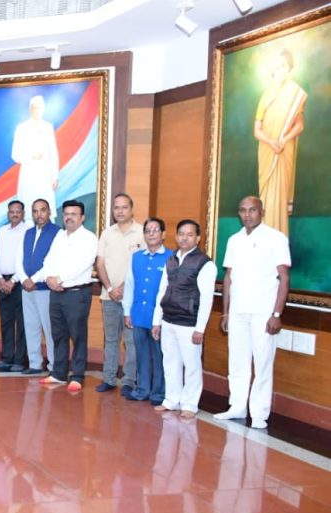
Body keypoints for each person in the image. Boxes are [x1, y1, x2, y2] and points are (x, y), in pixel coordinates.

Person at [217, 196, 291, 429]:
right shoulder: (234, 240)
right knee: (237, 362)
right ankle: (237, 407)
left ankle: (259, 413)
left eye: (252, 210)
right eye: (243, 210)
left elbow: (284, 278)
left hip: (263, 313)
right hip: (237, 312)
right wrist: (225, 313)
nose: (247, 215)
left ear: (262, 211)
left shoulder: (276, 238)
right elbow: (228, 278)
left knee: (263, 362)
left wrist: (276, 314)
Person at [151, 220, 215, 418]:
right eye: (181, 234)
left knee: (192, 365)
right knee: (170, 363)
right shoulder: (171, 260)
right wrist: (156, 321)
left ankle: (190, 404)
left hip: (189, 323)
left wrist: (200, 329)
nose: (184, 238)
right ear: (176, 236)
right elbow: (162, 291)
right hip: (168, 320)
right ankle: (171, 400)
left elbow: (207, 299)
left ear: (198, 238)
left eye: (189, 234)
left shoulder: (204, 263)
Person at [41, 200, 98, 392]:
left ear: (82, 217)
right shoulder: (59, 236)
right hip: (56, 293)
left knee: (78, 335)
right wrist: (48, 278)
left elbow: (83, 263)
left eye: (74, 214)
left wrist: (59, 278)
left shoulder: (89, 238)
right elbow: (48, 259)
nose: (69, 217)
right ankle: (59, 373)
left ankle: (78, 375)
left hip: (76, 294)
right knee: (58, 334)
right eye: (66, 214)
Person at [96, 193, 145, 395]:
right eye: (116, 207)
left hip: (132, 298)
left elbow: (142, 265)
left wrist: (125, 288)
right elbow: (100, 264)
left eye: (124, 207)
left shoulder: (142, 232)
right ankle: (108, 378)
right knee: (111, 339)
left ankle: (129, 381)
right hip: (109, 296)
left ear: (131, 209)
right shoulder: (107, 233)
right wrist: (110, 288)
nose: (120, 211)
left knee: (131, 341)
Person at [255, 48, 307, 236]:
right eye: (276, 67)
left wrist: (284, 139)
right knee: (266, 194)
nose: (279, 70)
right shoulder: (265, 96)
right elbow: (257, 130)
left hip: (284, 148)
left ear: (289, 69)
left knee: (280, 194)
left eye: (283, 66)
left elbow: (299, 125)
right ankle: (265, 234)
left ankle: (280, 237)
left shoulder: (295, 94)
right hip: (267, 149)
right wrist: (270, 142)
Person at [123, 217, 173, 405]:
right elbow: (129, 285)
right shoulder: (136, 257)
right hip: (139, 314)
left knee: (159, 356)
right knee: (141, 355)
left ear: (163, 234)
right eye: (147, 230)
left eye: (155, 230)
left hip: (159, 317)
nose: (151, 233)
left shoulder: (171, 257)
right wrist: (127, 311)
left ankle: (158, 393)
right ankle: (142, 390)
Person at [14, 198, 60, 375]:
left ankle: (53, 366)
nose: (39, 214)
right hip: (27, 288)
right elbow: (18, 259)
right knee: (31, 326)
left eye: (42, 210)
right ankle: (34, 364)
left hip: (44, 288)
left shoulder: (57, 232)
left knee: (49, 329)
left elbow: (52, 262)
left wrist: (33, 280)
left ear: (49, 212)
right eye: (35, 211)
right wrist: (24, 279)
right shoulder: (28, 233)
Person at [0, 199, 29, 371]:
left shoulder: (28, 231)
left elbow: (25, 260)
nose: (14, 214)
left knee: (21, 323)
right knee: (6, 322)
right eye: (12, 212)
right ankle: (7, 358)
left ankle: (19, 360)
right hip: (2, 282)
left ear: (23, 213)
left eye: (18, 211)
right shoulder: (1, 231)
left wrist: (13, 280)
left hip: (19, 282)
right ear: (8, 214)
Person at [12, 95, 59, 214]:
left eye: (40, 108)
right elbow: (15, 154)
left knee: (46, 212)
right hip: (28, 175)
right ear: (30, 109)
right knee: (28, 212)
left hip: (45, 176)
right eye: (35, 108)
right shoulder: (22, 128)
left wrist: (55, 176)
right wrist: (31, 156)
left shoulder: (48, 127)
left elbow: (53, 153)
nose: (38, 111)